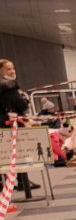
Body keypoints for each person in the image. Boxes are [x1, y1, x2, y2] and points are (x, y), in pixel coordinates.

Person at [0, 58, 36, 200]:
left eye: (13, 68)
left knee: (6, 154)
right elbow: (22, 105)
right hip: (9, 123)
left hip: (4, 123)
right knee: (16, 152)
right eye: (9, 68)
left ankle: (17, 181)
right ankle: (22, 181)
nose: (12, 71)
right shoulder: (9, 86)